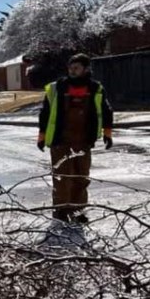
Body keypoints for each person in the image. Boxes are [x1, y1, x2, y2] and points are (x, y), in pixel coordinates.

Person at [37, 53, 114, 224]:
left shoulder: (95, 88)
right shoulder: (57, 88)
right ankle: (62, 211)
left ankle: (78, 211)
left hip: (83, 141)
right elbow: (45, 113)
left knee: (81, 178)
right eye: (70, 68)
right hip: (60, 141)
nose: (72, 71)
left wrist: (107, 133)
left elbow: (106, 111)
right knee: (62, 178)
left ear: (86, 69)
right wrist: (41, 136)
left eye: (76, 68)